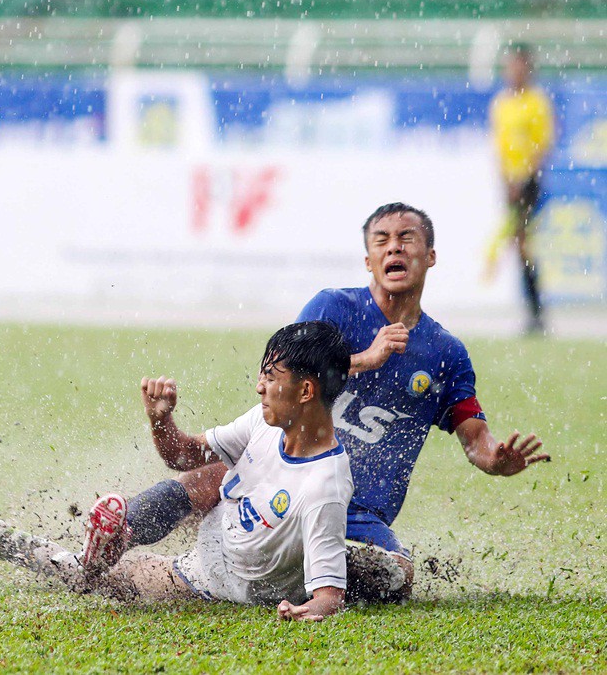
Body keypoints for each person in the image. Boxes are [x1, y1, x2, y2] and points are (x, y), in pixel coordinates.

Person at [80, 202, 550, 604]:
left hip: (360, 512)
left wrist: (496, 459)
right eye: (382, 240)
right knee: (213, 475)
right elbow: (285, 374)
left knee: (397, 577)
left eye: (407, 239)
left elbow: (475, 436)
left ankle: (298, 573)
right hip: (282, 480)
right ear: (368, 259)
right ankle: (116, 535)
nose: (394, 248)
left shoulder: (446, 354)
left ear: (430, 256)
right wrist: (367, 357)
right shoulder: (333, 308)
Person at [0, 321, 353, 621]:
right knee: (211, 472)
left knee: (104, 581)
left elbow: (329, 597)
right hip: (219, 527)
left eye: (271, 378)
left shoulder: (323, 488)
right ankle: (120, 534)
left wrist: (303, 611)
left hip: (211, 579)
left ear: (305, 391)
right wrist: (160, 420)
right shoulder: (263, 423)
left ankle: (37, 553)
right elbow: (184, 455)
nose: (259, 388)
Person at [486, 43, 556, 334]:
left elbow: (543, 145)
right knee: (521, 245)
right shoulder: (501, 104)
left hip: (529, 182)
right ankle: (534, 310)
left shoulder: (537, 102)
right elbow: (500, 149)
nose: (513, 72)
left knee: (524, 243)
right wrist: (506, 182)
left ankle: (536, 311)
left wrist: (525, 179)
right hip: (510, 183)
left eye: (518, 66)